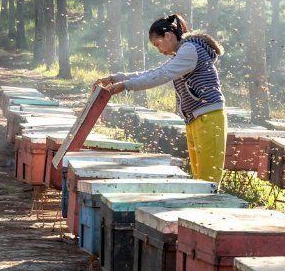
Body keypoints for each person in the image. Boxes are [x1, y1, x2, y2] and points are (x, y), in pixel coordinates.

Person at [96, 14, 227, 184]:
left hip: (209, 117)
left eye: (158, 44)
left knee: (208, 180)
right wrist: (116, 78)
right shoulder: (183, 52)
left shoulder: (190, 50)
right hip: (196, 118)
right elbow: (152, 73)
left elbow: (161, 75)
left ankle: (210, 209)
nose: (160, 50)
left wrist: (125, 85)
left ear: (168, 35)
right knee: (199, 180)